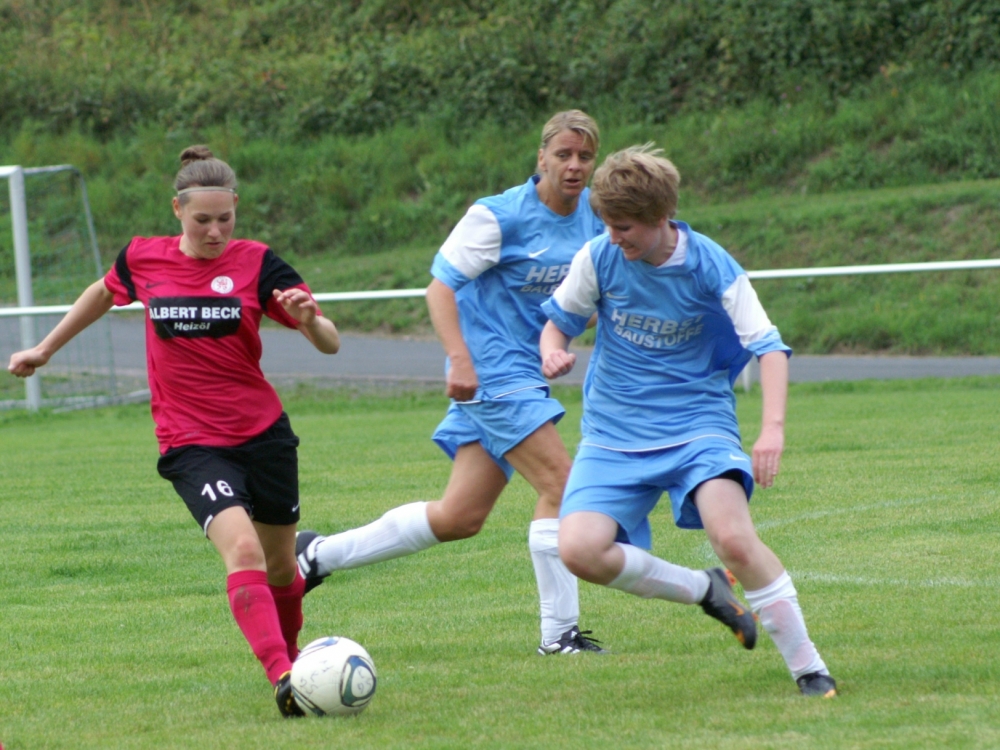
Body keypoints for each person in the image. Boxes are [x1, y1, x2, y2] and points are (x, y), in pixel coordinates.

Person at [8, 146, 341, 717]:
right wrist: (44, 348)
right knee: (242, 550)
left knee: (282, 567)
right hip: (191, 442)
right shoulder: (143, 258)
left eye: (225, 219)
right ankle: (283, 675)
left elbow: (331, 342)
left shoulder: (259, 263)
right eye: (202, 220)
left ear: (236, 208)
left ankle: (294, 662)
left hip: (264, 434)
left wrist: (311, 321)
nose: (215, 232)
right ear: (177, 210)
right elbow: (101, 292)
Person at [296, 110, 609, 654]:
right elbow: (439, 289)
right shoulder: (498, 216)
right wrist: (459, 360)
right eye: (563, 154)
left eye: (584, 156)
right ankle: (559, 637)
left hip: (524, 376)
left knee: (459, 517)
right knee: (563, 487)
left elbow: (586, 299)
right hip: (490, 372)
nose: (574, 165)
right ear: (541, 157)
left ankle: (316, 555)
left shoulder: (595, 220)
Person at [539, 144, 837, 697]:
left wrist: (772, 430)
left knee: (734, 538)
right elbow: (558, 323)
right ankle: (706, 591)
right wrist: (552, 352)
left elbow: (769, 348)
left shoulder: (711, 266)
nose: (613, 238)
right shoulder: (599, 257)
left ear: (660, 217)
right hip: (613, 433)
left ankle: (809, 669)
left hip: (697, 426)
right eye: (607, 225)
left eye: (624, 227)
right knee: (579, 550)